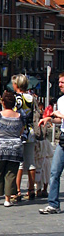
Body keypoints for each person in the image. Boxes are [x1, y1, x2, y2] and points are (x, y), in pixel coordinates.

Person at [39, 72, 64, 214]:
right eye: (59, 82)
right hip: (63, 139)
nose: (59, 85)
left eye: (62, 82)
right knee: (54, 172)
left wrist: (61, 115)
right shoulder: (60, 100)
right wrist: (50, 119)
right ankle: (53, 204)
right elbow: (60, 120)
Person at [12, 74, 36, 201]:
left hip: (19, 131)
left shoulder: (16, 98)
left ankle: (17, 190)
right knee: (30, 161)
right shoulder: (32, 98)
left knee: (19, 162)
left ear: (16, 85)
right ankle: (32, 189)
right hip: (30, 130)